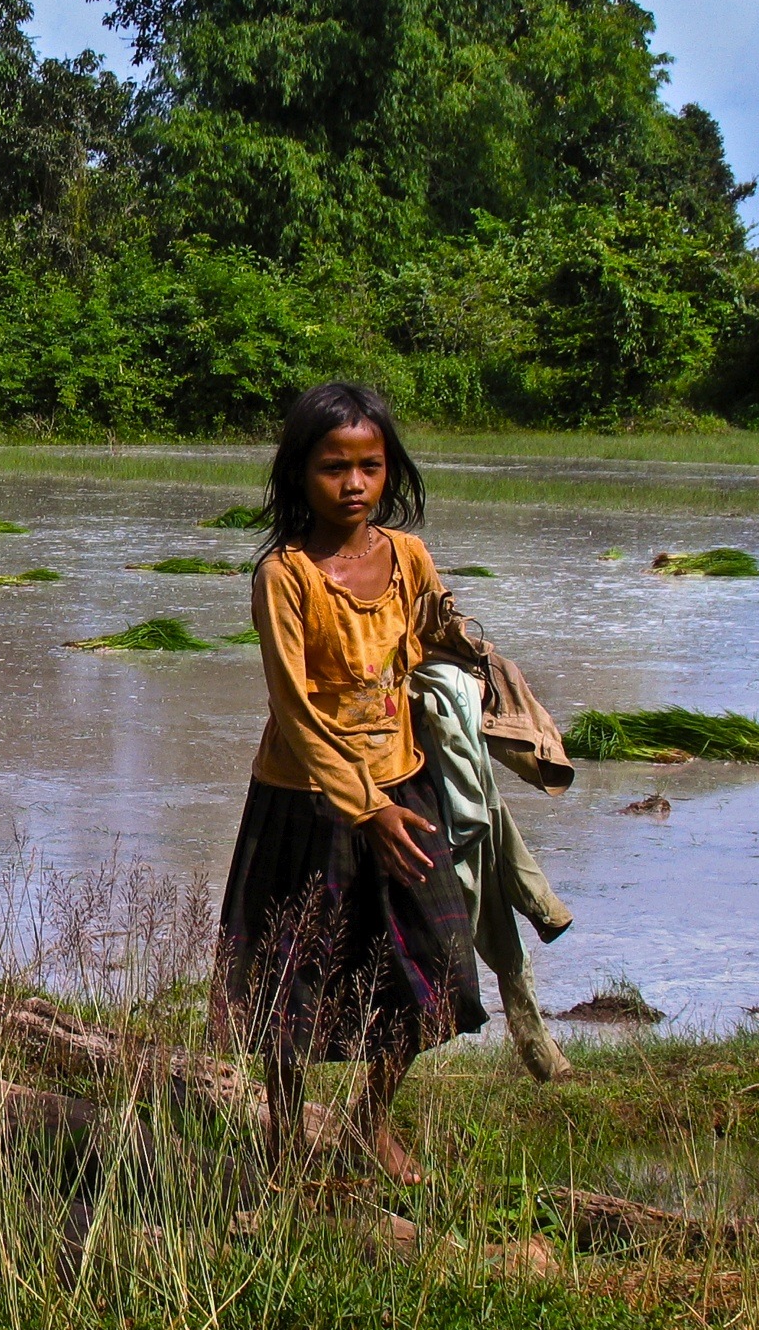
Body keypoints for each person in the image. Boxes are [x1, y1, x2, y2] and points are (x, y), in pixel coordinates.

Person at [213, 382, 486, 1187]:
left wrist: (476, 657)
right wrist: (365, 807)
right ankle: (286, 1140)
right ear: (300, 473)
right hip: (308, 804)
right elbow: (294, 713)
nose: (355, 484)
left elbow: (435, 629)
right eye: (335, 467)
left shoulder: (406, 556)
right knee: (292, 985)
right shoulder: (285, 576)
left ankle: (370, 1122)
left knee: (436, 966)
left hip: (406, 787)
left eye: (370, 466)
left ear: (390, 470)